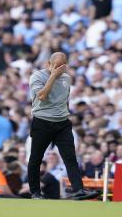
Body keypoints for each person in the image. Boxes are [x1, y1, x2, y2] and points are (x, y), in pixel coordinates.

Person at [28, 52, 97, 200]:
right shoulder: (37, 77)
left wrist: (65, 114)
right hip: (42, 121)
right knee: (36, 158)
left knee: (70, 158)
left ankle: (78, 190)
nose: (60, 69)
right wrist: (53, 76)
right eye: (57, 66)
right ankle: (35, 192)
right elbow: (41, 96)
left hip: (62, 123)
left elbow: (64, 100)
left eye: (62, 66)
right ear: (48, 64)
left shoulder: (66, 78)